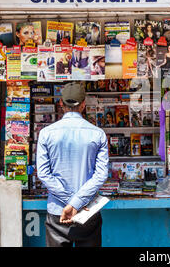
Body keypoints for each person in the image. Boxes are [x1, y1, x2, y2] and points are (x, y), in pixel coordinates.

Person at [36, 82, 109, 247]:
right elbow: (101, 175)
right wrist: (76, 203)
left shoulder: (46, 134)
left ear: (61, 104)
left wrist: (70, 202)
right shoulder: (98, 134)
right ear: (83, 105)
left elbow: (43, 174)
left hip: (57, 212)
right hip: (88, 211)